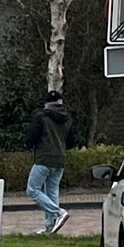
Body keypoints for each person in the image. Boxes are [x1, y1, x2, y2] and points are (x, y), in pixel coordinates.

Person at [27, 89, 74, 235]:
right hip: (60, 159)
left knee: (32, 190)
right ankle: (51, 226)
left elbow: (32, 137)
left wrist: (29, 145)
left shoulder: (40, 116)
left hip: (44, 158)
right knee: (52, 192)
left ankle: (59, 212)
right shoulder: (68, 118)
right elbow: (71, 141)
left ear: (46, 103)